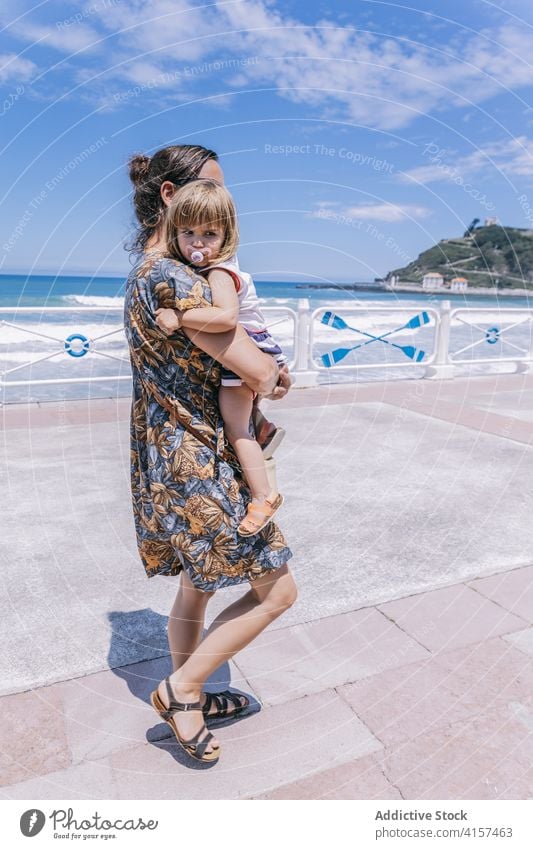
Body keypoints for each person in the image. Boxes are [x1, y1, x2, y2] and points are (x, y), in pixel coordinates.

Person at [123, 144, 297, 765]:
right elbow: (256, 369)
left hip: (166, 453)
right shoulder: (177, 280)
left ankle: (188, 702)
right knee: (278, 592)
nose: (225, 206)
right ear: (173, 198)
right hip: (197, 456)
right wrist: (276, 374)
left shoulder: (146, 274)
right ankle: (183, 686)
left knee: (198, 585)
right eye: (214, 192)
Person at [154, 178, 287, 537]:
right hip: (259, 346)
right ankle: (262, 429)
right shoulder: (215, 268)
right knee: (241, 422)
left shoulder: (219, 272)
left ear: (226, 235)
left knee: (236, 428)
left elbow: (226, 318)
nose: (198, 242)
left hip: (250, 349)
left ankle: (263, 496)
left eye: (209, 234)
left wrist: (178, 318)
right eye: (188, 232)